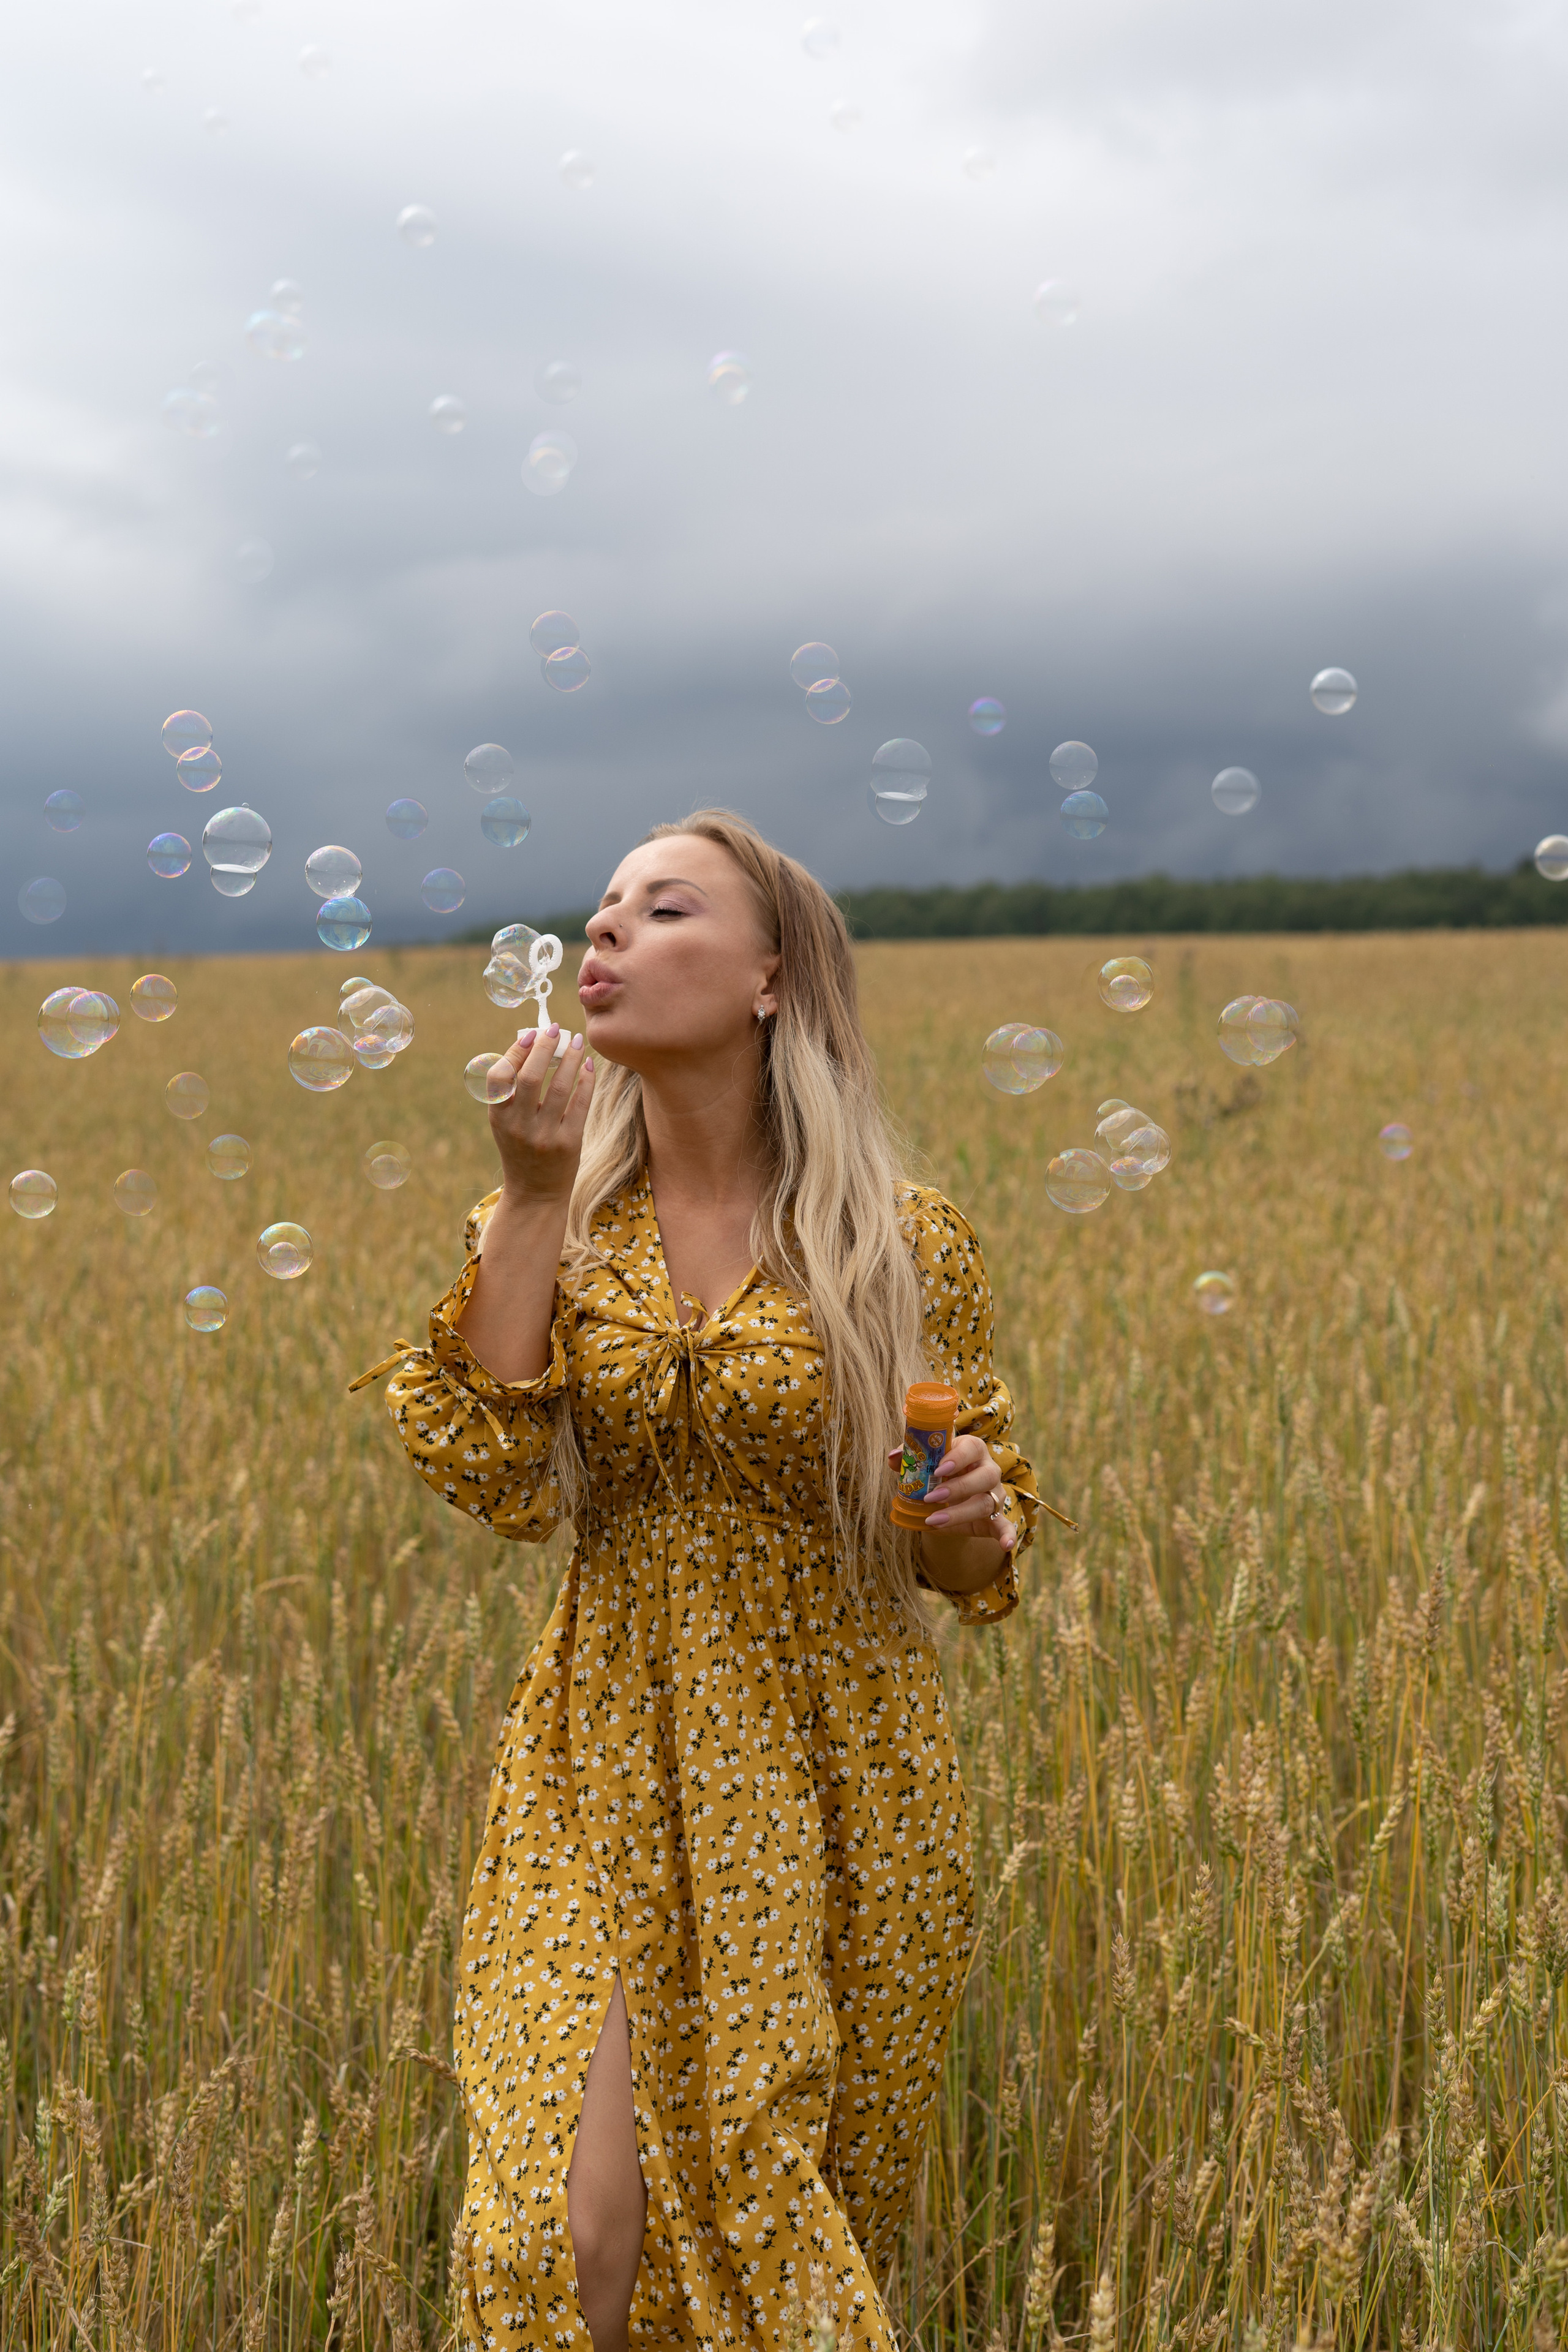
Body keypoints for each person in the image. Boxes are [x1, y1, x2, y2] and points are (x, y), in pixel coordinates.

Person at [356, 810, 1041, 2352]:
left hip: (832, 1777)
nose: (603, 934)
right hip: (600, 1753)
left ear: (768, 979)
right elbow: (492, 1477)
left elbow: (966, 1549)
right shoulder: (546, 1220)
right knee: (555, 2230)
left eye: (660, 911)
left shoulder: (895, 1244)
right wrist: (528, 1196)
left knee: (760, 2221)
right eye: (600, 911)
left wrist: (959, 1514)